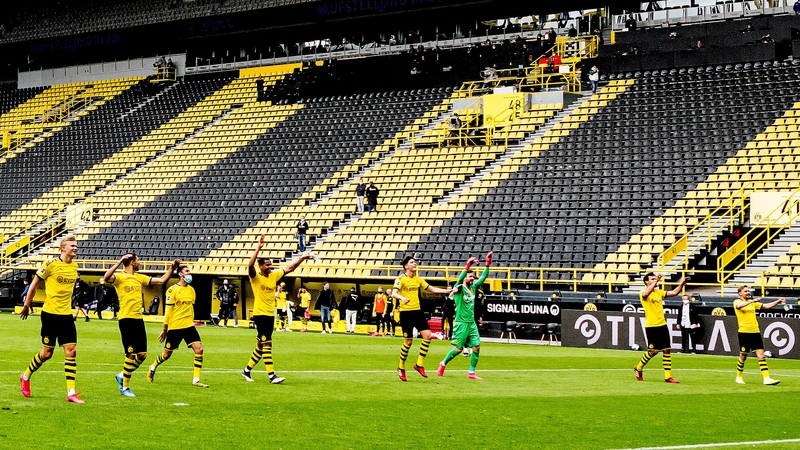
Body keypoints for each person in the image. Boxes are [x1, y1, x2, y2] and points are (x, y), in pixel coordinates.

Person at [19, 236, 84, 403]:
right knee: (47, 354)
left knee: (71, 351)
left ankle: (71, 393)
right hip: (50, 315)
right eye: (72, 246)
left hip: (66, 316)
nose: (75, 248)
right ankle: (25, 376)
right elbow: (34, 285)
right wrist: (27, 304)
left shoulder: (75, 267)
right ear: (63, 248)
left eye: (76, 246)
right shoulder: (50, 265)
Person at [104, 252, 179, 397]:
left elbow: (162, 281)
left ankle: (121, 375)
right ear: (132, 262)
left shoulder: (140, 277)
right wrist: (120, 261)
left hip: (138, 319)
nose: (140, 262)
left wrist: (172, 268)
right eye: (138, 260)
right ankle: (125, 387)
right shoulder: (119, 277)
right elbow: (106, 277)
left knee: (142, 355)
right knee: (130, 354)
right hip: (126, 319)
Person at [241, 235, 313, 384]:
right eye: (267, 265)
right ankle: (271, 376)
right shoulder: (255, 277)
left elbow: (290, 268)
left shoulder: (273, 276)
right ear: (260, 266)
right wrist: (258, 248)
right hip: (260, 314)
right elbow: (249, 265)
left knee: (262, 345)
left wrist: (303, 257)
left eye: (270, 264)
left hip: (270, 314)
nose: (269, 267)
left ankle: (246, 370)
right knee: (267, 344)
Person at [392, 255, 453, 381]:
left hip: (417, 312)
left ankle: (419, 364)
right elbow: (394, 292)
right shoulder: (400, 279)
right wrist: (402, 298)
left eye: (415, 262)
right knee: (408, 342)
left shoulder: (418, 279)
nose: (415, 264)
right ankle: (401, 367)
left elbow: (432, 289)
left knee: (428, 336)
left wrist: (447, 292)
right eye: (412, 262)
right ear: (406, 266)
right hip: (405, 313)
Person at [147, 266, 208, 388]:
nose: (189, 273)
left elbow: (190, 308)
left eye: (190, 271)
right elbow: (168, 311)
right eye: (187, 271)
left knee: (199, 349)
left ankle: (196, 380)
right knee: (166, 355)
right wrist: (165, 329)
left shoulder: (191, 290)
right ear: (180, 274)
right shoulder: (172, 290)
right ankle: (152, 367)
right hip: (175, 327)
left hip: (189, 326)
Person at [438, 252, 493, 380]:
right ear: (465, 278)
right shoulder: (460, 288)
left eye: (473, 277)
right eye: (470, 277)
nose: (472, 279)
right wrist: (467, 266)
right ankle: (443, 363)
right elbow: (459, 280)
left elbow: (483, 278)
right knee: (458, 349)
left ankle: (471, 372)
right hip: (461, 323)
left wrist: (487, 265)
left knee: (477, 346)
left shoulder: (473, 287)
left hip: (471, 323)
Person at [633, 273, 688, 384]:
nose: (655, 280)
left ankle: (667, 376)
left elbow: (674, 292)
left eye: (655, 278)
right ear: (646, 282)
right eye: (652, 279)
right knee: (653, 351)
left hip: (662, 324)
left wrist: (681, 284)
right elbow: (646, 294)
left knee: (667, 350)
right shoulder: (642, 292)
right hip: (651, 325)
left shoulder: (659, 292)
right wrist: (656, 281)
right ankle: (638, 367)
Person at [733, 286, 784, 385]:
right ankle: (738, 377)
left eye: (748, 291)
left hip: (755, 332)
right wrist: (752, 301)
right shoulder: (737, 301)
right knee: (743, 356)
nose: (748, 292)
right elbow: (739, 306)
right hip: (744, 333)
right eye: (745, 291)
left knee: (761, 355)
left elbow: (765, 306)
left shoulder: (753, 303)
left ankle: (766, 378)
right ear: (740, 293)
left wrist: (777, 301)